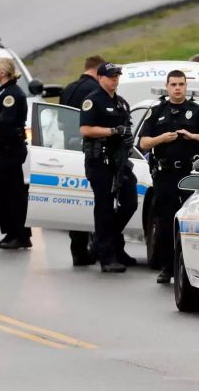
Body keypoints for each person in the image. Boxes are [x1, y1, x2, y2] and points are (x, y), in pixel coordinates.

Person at [139, 70, 199, 283]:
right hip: (165, 174)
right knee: (166, 222)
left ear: (186, 87)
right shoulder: (157, 111)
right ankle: (168, 267)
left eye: (181, 84)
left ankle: (189, 267)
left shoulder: (197, 112)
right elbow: (143, 143)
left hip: (190, 174)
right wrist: (162, 138)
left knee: (189, 221)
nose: (177, 88)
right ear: (167, 87)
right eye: (173, 84)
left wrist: (194, 136)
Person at [79, 62, 138, 273]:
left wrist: (126, 136)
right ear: (100, 78)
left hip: (119, 161)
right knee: (104, 207)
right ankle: (107, 256)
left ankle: (107, 241)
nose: (115, 79)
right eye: (111, 76)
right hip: (100, 160)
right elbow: (86, 129)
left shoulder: (121, 103)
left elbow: (126, 129)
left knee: (130, 202)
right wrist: (113, 131)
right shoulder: (92, 100)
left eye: (117, 76)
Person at [60, 55, 105, 265]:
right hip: (89, 149)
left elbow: (61, 121)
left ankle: (77, 249)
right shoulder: (95, 92)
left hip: (68, 150)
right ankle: (93, 247)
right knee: (93, 200)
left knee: (75, 199)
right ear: (98, 72)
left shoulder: (68, 88)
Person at [0, 58, 32, 250]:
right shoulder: (3, 92)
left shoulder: (11, 95)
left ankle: (20, 235)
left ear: (3, 73)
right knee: (3, 192)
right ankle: (12, 233)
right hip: (6, 148)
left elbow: (7, 126)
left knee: (11, 194)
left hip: (10, 150)